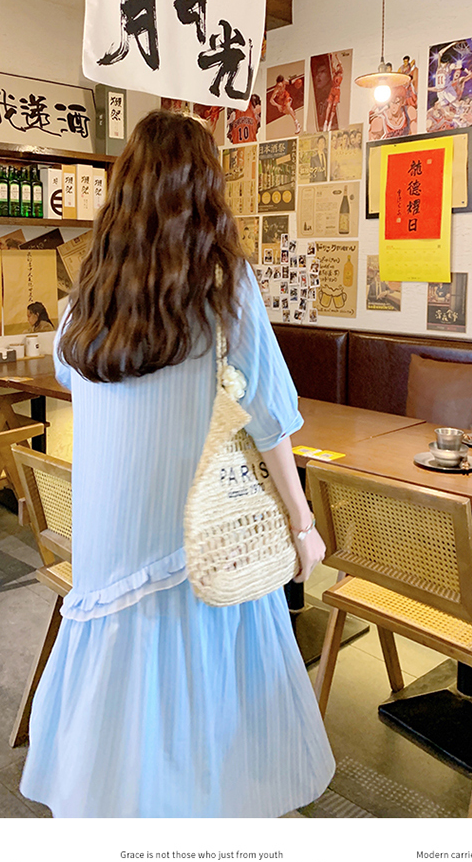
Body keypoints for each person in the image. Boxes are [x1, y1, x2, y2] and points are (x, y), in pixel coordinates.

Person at [20, 111, 334, 818]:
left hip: (109, 534)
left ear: (125, 187)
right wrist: (302, 523)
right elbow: (271, 414)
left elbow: (71, 375)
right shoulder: (224, 286)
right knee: (202, 683)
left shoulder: (89, 293)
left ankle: (117, 802)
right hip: (199, 535)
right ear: (204, 188)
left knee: (123, 665)